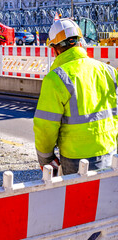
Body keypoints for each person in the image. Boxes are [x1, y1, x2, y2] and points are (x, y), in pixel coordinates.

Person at [33, 18, 118, 176]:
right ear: (80, 42)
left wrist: (45, 158)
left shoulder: (55, 79)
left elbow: (45, 127)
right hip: (110, 151)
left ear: (54, 49)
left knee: (77, 200)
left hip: (75, 158)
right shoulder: (109, 71)